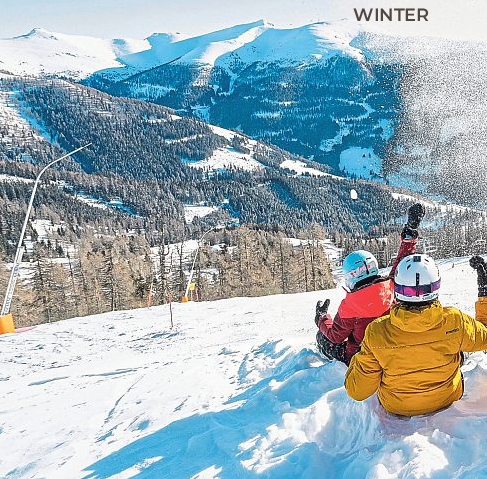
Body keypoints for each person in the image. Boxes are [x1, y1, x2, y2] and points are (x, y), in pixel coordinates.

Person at [344, 254, 487, 417]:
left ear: (397, 288)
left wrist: (362, 355)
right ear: (436, 287)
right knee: (459, 351)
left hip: (397, 407)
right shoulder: (455, 322)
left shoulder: (376, 331)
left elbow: (357, 391)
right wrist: (484, 296)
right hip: (447, 399)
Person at [315, 203, 425, 365]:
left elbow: (335, 335)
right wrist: (410, 234)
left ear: (350, 277)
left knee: (324, 339)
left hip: (364, 357)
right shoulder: (390, 286)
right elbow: (401, 263)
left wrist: (321, 318)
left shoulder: (349, 306)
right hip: (392, 348)